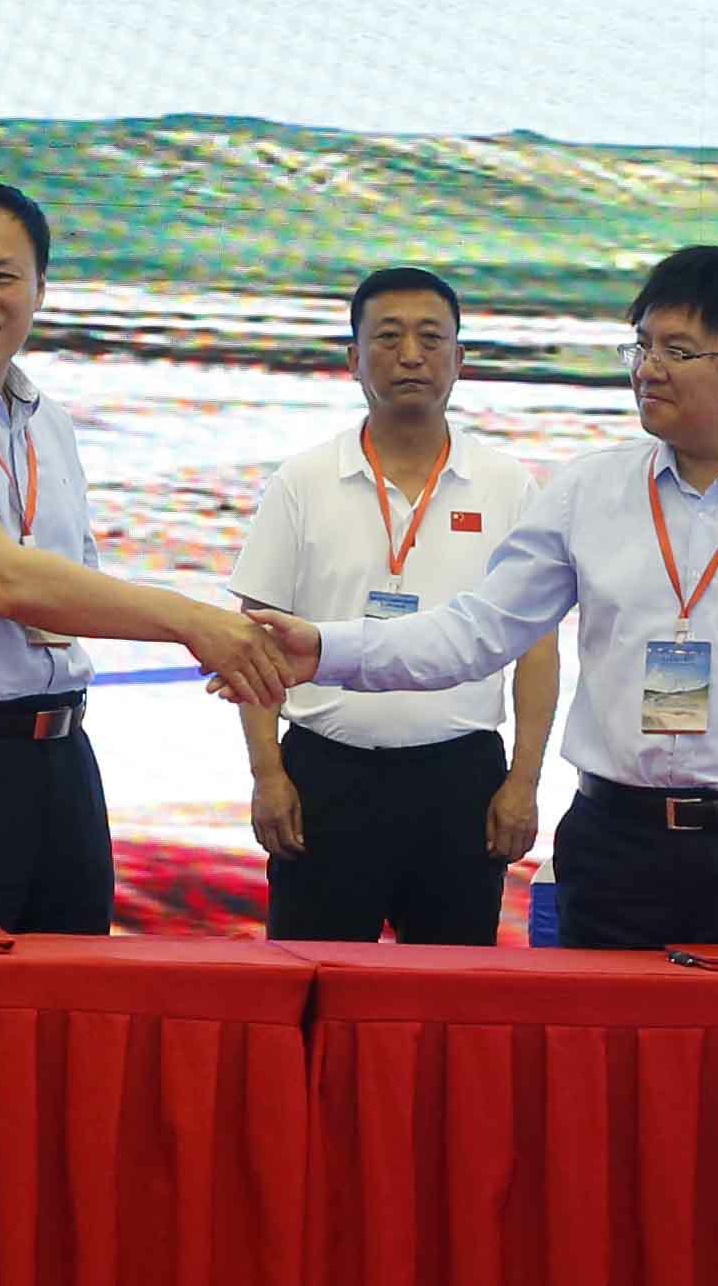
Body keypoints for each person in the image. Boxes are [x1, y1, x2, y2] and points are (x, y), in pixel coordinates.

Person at [251, 245, 718, 962]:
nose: (648, 369)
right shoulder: (589, 492)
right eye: (642, 346)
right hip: (615, 847)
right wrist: (328, 649)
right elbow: (477, 632)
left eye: (678, 351)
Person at [0, 176, 296, 938]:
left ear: (40, 288)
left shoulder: (46, 420)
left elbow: (71, 585)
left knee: (71, 992)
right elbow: (5, 580)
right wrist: (192, 622)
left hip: (57, 757)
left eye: (3, 276)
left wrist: (220, 637)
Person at [228, 268, 555, 945]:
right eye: (388, 338)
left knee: (450, 989)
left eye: (431, 338)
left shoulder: (507, 485)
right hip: (324, 776)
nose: (411, 355)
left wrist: (523, 780)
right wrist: (267, 774)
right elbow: (254, 639)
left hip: (461, 780)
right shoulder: (303, 481)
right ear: (353, 358)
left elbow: (536, 648)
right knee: (315, 979)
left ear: (460, 359)